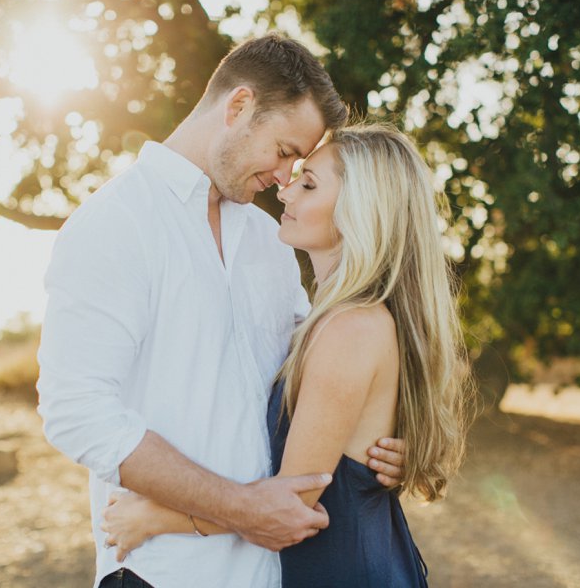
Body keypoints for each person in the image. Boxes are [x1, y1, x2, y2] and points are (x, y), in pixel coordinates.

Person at [36, 35, 406, 588]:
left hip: (271, 571)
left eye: (299, 165)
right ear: (238, 107)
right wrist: (239, 507)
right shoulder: (115, 223)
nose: (285, 178)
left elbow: (313, 371)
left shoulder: (268, 237)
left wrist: (370, 452)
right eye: (283, 152)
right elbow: (76, 412)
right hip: (163, 572)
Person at [101, 124, 473, 587]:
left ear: (362, 211)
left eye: (310, 183)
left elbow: (295, 504)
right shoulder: (332, 319)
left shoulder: (350, 328)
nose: (285, 192)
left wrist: (157, 517)